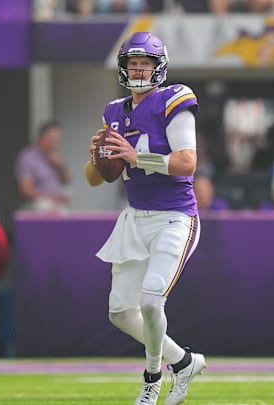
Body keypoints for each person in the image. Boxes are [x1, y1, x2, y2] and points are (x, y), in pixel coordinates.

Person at [84, 32, 207, 405]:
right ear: (123, 68)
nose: (139, 70)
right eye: (133, 64)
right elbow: (92, 179)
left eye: (146, 64)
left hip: (175, 217)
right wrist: (96, 157)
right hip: (135, 219)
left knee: (152, 304)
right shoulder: (114, 111)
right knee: (121, 312)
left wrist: (136, 157)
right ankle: (183, 362)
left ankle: (153, 377)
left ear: (159, 68)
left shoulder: (174, 99)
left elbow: (187, 163)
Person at [15, 120, 71, 212]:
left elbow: (67, 182)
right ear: (40, 138)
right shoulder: (27, 158)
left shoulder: (55, 157)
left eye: (57, 141)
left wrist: (60, 166)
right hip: (38, 205)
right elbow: (26, 191)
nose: (54, 144)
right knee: (45, 205)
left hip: (57, 204)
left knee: (63, 211)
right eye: (51, 140)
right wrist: (54, 198)